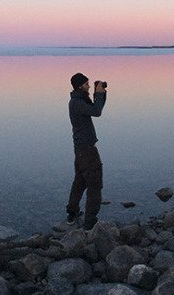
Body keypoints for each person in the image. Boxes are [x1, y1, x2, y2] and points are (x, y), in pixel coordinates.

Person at [66, 72, 106, 230]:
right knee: (95, 185)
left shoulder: (78, 100)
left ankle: (72, 213)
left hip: (81, 149)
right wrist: (99, 94)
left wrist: (100, 93)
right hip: (87, 150)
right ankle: (90, 223)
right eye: (87, 84)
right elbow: (96, 111)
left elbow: (96, 109)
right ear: (79, 86)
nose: (89, 86)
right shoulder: (76, 102)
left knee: (80, 181)